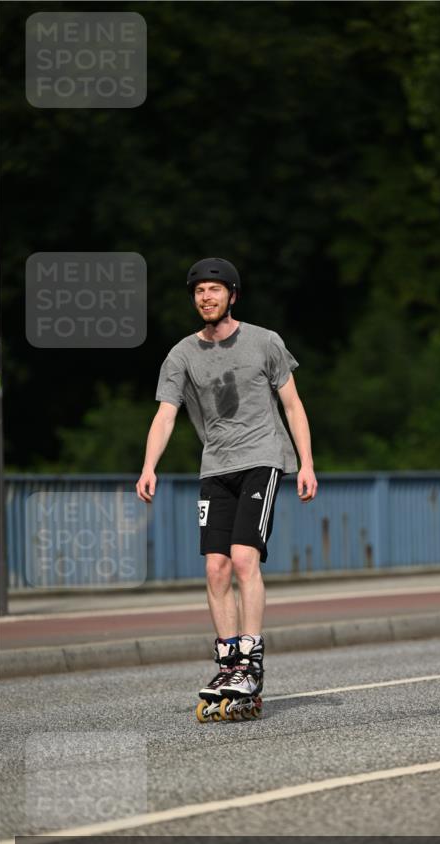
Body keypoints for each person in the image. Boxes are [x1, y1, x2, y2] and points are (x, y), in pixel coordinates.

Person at [136, 257, 317, 716]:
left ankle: (251, 661)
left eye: (215, 290)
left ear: (232, 296)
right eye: (200, 291)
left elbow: (293, 406)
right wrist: (149, 466)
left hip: (263, 459)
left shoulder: (265, 342)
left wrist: (307, 464)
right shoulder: (181, 354)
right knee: (215, 568)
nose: (207, 297)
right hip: (215, 466)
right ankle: (228, 662)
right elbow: (165, 414)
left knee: (242, 557)